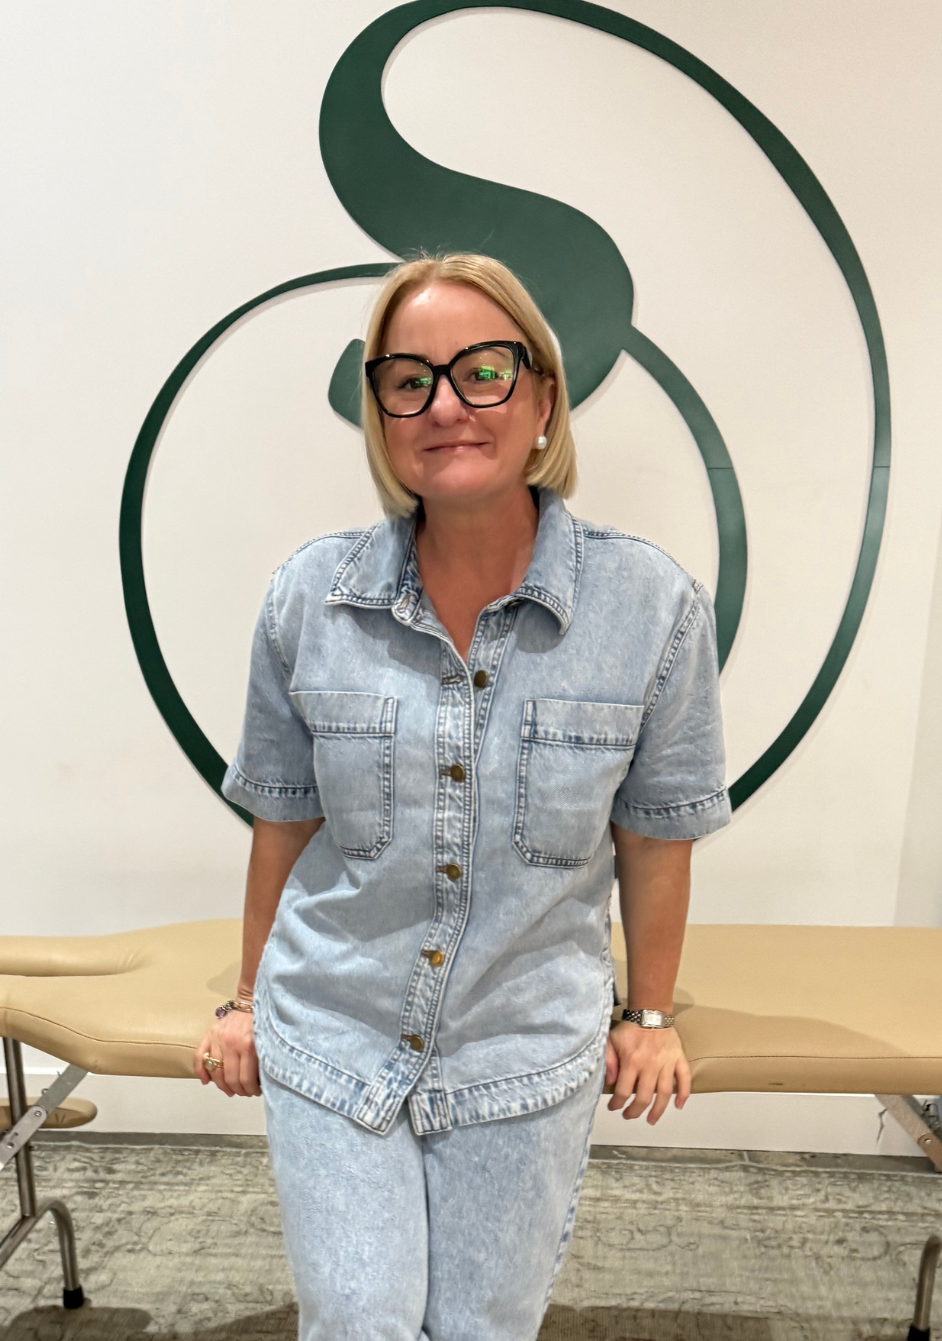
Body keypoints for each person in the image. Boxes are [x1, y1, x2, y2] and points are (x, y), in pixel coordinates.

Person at [195, 253, 730, 1340]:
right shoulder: (310, 597)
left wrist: (651, 1015)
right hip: (334, 1030)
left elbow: (655, 838)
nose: (445, 405)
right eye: (410, 380)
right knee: (361, 1322)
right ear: (382, 414)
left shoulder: (650, 606)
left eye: (483, 371)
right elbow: (284, 820)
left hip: (521, 1049)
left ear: (543, 401)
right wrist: (247, 1000)